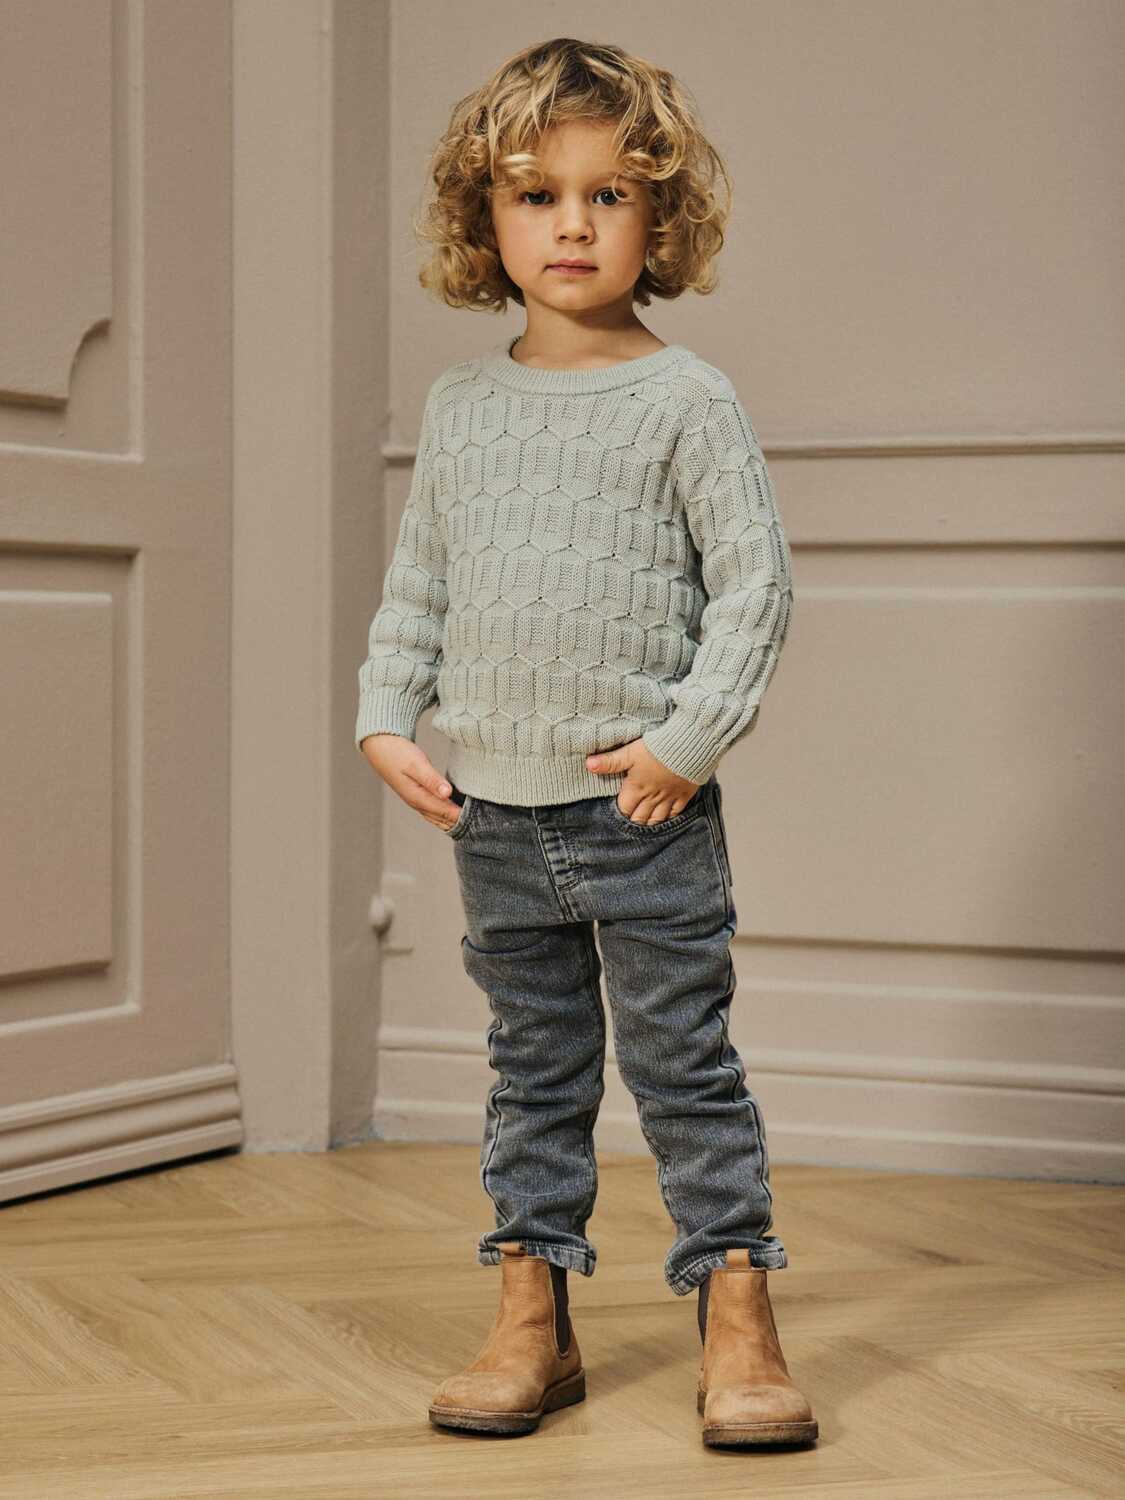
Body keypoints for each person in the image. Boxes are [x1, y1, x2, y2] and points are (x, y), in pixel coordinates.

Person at [355, 37, 816, 1449]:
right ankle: (530, 1317)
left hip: (642, 816)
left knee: (683, 1069)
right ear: (483, 221)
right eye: (535, 195)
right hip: (494, 818)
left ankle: (737, 1312)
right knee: (532, 1073)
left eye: (607, 194)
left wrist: (688, 740)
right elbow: (421, 581)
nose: (571, 224)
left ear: (658, 218)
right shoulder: (461, 407)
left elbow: (754, 588)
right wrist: (384, 712)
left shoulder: (687, 400)